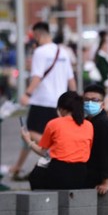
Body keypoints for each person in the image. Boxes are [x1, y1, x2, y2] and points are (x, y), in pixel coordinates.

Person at [11, 22, 77, 181]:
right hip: (60, 104)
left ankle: (56, 154)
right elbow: (71, 79)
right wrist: (75, 98)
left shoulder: (40, 52)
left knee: (29, 133)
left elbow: (37, 76)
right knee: (36, 133)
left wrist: (27, 93)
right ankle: (18, 167)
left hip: (42, 100)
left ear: (38, 35)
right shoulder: (63, 51)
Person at [22, 91, 93, 190]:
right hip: (81, 174)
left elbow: (43, 152)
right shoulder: (88, 125)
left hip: (59, 172)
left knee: (35, 176)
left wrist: (28, 141)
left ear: (62, 109)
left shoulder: (54, 124)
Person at [82, 84, 108, 194]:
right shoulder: (87, 121)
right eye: (86, 100)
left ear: (102, 104)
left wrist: (105, 182)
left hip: (102, 175)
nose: (89, 103)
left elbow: (106, 153)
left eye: (94, 100)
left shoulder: (104, 124)